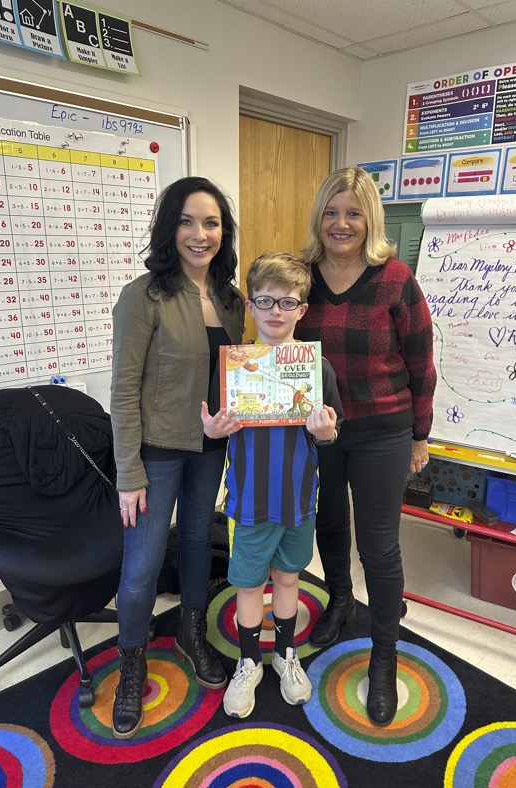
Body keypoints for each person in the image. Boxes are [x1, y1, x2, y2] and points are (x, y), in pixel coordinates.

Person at [294, 166, 436, 727]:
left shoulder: (395, 277)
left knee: (379, 547)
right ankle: (338, 600)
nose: (341, 223)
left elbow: (422, 363)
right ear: (318, 218)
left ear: (370, 219)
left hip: (383, 428)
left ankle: (384, 654)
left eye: (353, 212)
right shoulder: (301, 276)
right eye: (331, 211)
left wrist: (420, 436)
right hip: (318, 430)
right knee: (328, 524)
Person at [109, 176, 245, 739]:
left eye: (211, 223)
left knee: (195, 540)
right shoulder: (144, 295)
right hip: (156, 452)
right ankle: (131, 661)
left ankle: (190, 631)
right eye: (187, 221)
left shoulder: (234, 299)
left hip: (212, 447)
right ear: (170, 228)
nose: (200, 234)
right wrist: (128, 471)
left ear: (223, 232)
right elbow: (123, 388)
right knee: (140, 566)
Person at [201, 251, 343, 719]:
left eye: (287, 302)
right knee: (248, 585)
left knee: (288, 579)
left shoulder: (318, 369)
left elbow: (330, 435)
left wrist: (325, 433)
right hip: (251, 501)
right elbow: (214, 428)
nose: (276, 312)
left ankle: (285, 655)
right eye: (265, 301)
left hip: (300, 499)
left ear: (303, 309)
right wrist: (212, 431)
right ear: (250, 305)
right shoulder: (231, 367)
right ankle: (248, 662)